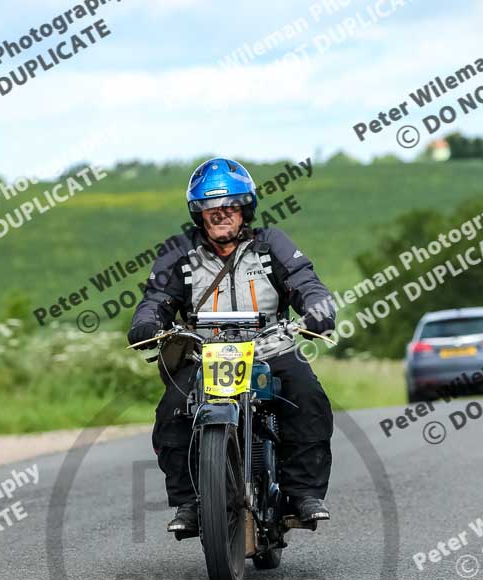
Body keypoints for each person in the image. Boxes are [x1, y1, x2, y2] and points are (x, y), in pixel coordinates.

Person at [127, 157, 336, 536]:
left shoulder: (271, 243)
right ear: (198, 214)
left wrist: (318, 308)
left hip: (269, 347)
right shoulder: (178, 251)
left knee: (309, 399)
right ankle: (190, 503)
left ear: (246, 209)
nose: (221, 215)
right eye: (211, 208)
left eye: (231, 206)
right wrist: (147, 321)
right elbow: (157, 296)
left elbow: (306, 281)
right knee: (172, 413)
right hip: (203, 351)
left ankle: (303, 493)